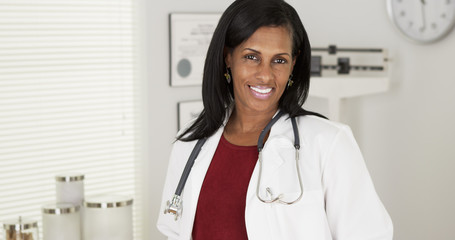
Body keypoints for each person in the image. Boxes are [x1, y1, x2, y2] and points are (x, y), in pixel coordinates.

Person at [157, 0, 393, 239]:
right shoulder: (189, 143)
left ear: (293, 64)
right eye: (251, 57)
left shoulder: (329, 143)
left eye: (279, 60)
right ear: (228, 57)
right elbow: (173, 230)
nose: (265, 74)